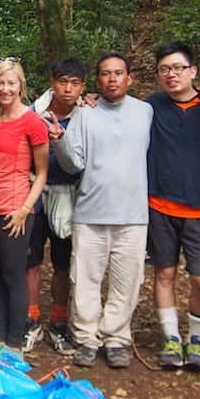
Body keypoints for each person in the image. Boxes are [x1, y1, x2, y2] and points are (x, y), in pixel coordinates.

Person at [53, 53, 152, 368]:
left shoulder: (145, 111)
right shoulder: (85, 113)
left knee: (127, 281)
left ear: (129, 78)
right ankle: (86, 337)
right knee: (85, 279)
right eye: (106, 74)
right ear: (97, 80)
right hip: (91, 211)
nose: (112, 79)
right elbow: (75, 163)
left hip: (133, 214)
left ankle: (117, 338)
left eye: (118, 73)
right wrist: (60, 140)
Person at [146, 42, 200, 371]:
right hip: (159, 206)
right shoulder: (152, 106)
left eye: (178, 68)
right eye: (165, 69)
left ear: (193, 71)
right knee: (164, 273)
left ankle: (197, 338)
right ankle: (171, 338)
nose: (171, 75)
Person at [0, 59, 48, 352]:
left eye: (11, 83)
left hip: (15, 209)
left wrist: (25, 209)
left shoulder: (31, 122)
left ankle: (15, 343)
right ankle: (1, 337)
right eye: (0, 83)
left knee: (14, 275)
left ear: (21, 86)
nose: (5, 89)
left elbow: (41, 173)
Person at [24, 58, 87, 354]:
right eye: (63, 81)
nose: (68, 88)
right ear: (52, 82)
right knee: (31, 258)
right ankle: (31, 317)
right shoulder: (33, 114)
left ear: (83, 87)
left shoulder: (88, 116)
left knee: (62, 261)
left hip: (70, 193)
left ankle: (59, 319)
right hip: (34, 190)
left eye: (75, 83)